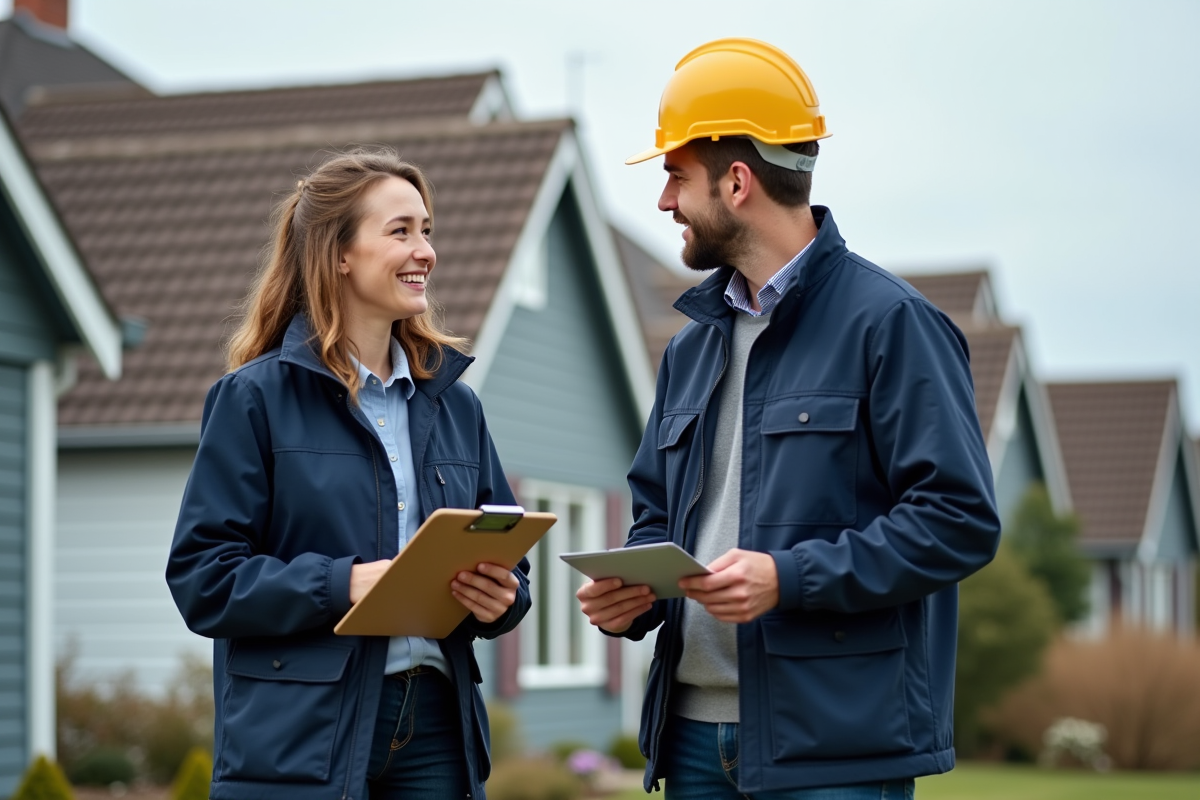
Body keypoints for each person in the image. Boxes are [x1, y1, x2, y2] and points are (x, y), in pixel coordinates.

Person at [576, 39, 1001, 798]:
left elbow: (958, 520)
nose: (664, 202)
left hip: (834, 751)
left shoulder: (893, 324)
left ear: (737, 182)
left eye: (676, 176)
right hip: (695, 741)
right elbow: (656, 521)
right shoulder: (691, 349)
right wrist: (629, 600)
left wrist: (789, 578)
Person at [166, 148, 528, 800]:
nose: (425, 251)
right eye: (400, 231)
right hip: (304, 732)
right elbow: (204, 580)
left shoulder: (454, 405)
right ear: (338, 253)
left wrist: (503, 599)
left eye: (427, 230)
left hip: (438, 726)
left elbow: (506, 557)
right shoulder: (253, 401)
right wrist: (345, 583)